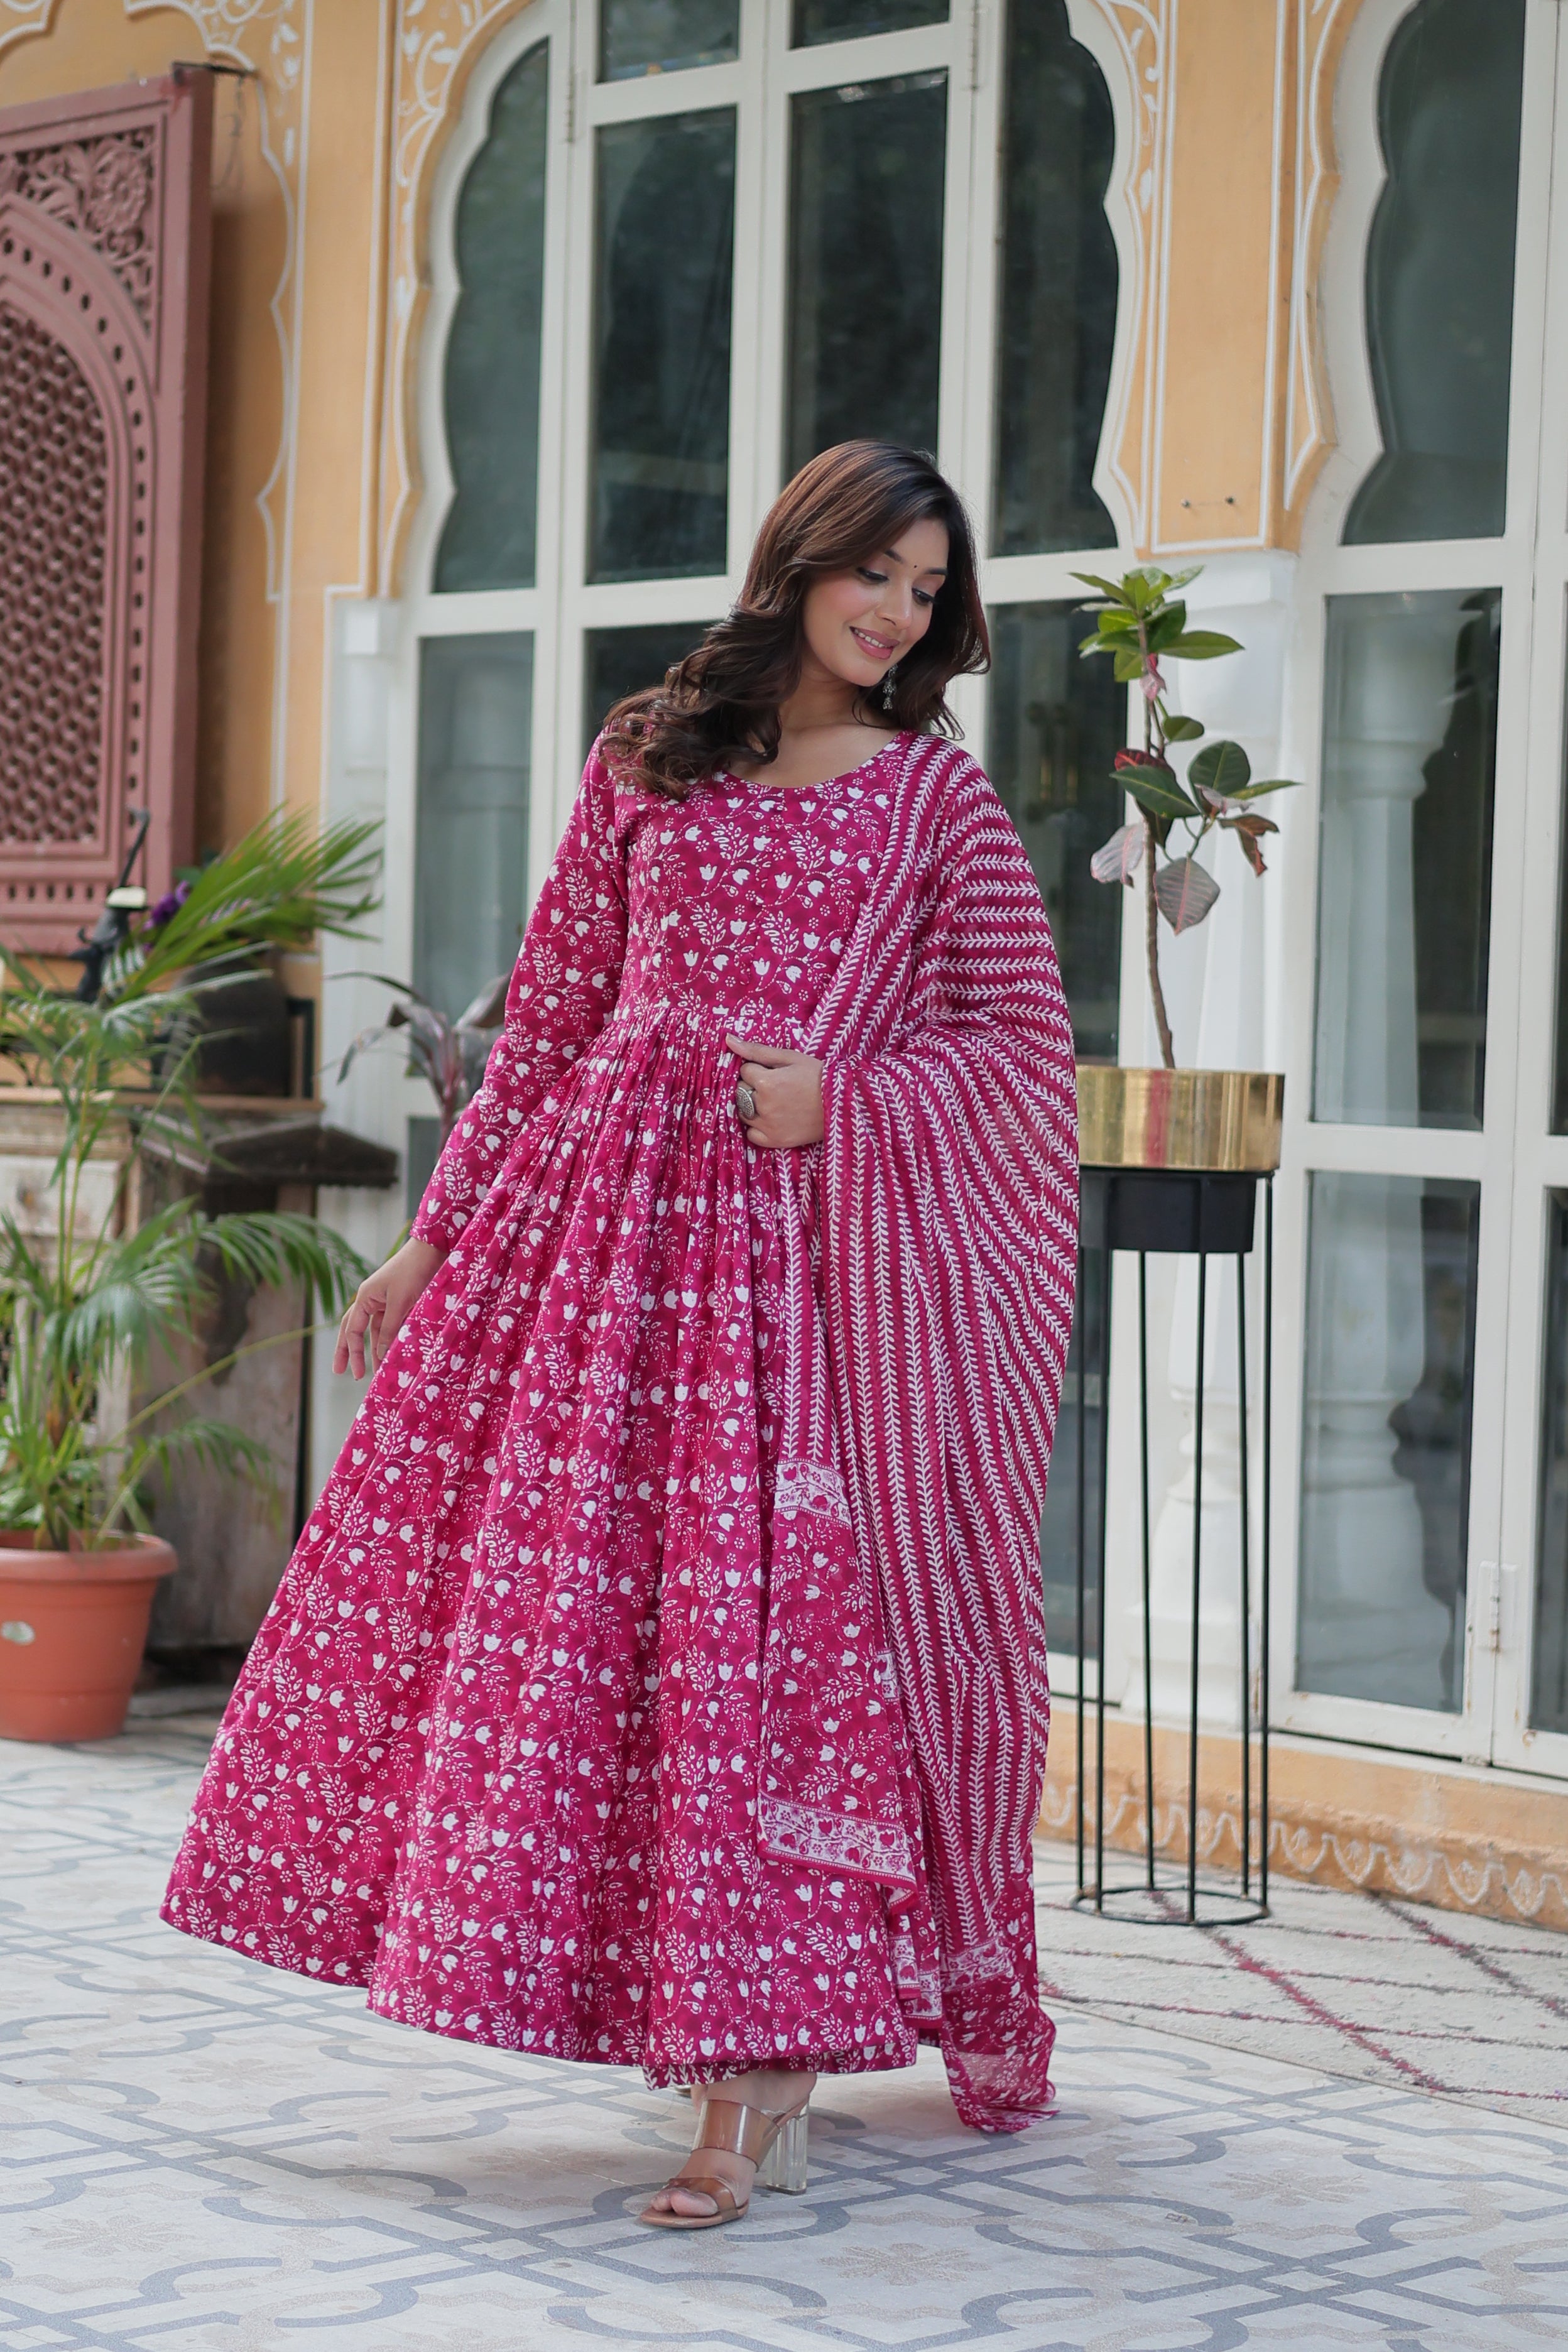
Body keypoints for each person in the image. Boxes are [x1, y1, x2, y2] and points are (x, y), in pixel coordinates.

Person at [163, 440, 1079, 2231]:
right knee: (589, 1645)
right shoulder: (649, 753)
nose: (899, 614)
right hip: (598, 1272)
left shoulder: (935, 807)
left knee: (772, 1655)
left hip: (800, 1289)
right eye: (875, 573)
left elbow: (1021, 1053)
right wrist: (435, 1240)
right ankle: (643, 2007)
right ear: (800, 559)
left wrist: (843, 1102)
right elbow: (557, 1019)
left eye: (928, 590)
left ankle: (748, 2091)